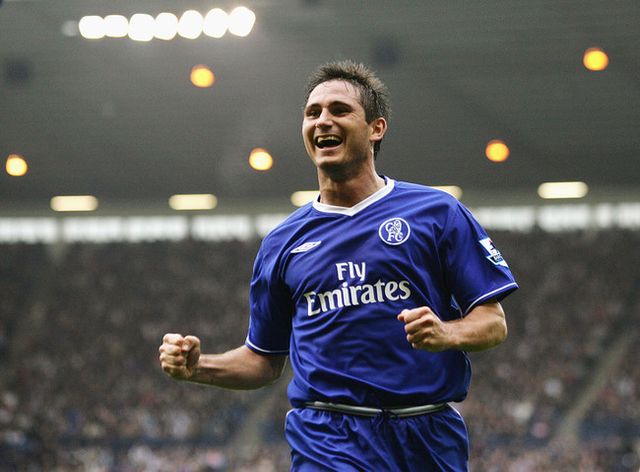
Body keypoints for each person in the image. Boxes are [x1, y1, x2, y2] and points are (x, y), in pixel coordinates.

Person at [159, 60, 518, 471]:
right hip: (328, 439)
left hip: (427, 435)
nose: (322, 121)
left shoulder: (436, 212)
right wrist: (198, 367)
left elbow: (493, 322)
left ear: (376, 128)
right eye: (312, 113)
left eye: (339, 110)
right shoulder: (282, 242)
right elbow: (263, 360)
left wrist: (446, 332)